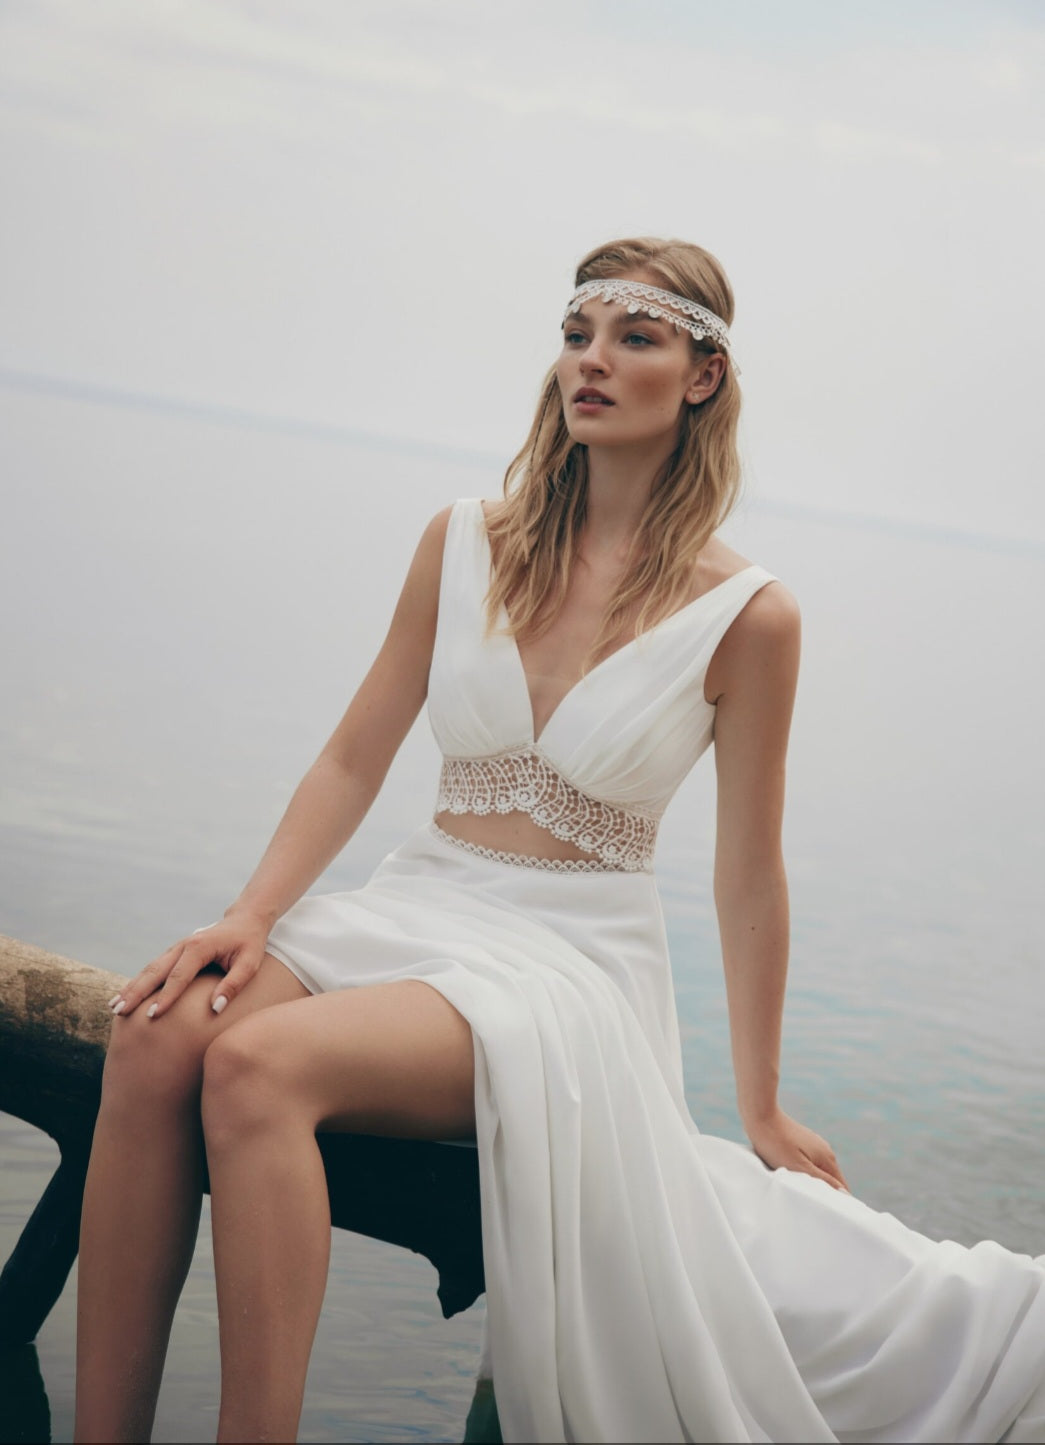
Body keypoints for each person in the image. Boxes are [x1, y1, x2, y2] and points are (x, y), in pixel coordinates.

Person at [74, 238, 1045, 1445]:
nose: (592, 361)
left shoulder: (750, 617)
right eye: (579, 334)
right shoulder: (462, 539)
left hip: (568, 963)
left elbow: (748, 876)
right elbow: (352, 756)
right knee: (158, 1033)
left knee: (259, 1069)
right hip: (411, 903)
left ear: (700, 376)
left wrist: (761, 1103)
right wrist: (250, 916)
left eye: (634, 338)